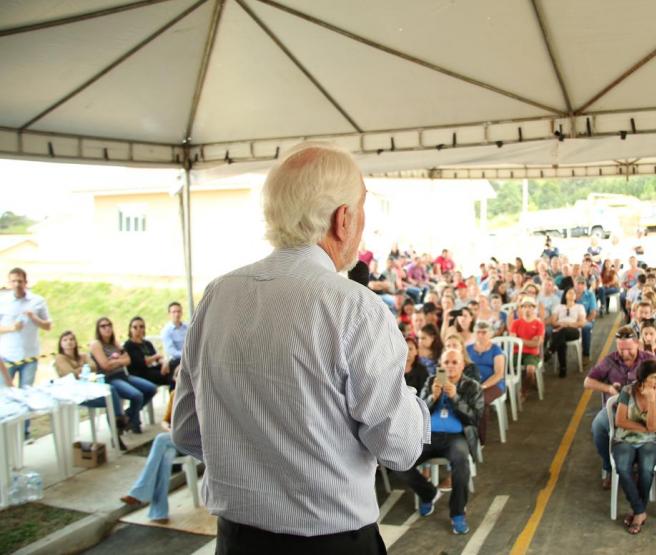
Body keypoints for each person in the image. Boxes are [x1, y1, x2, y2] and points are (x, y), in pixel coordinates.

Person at [171, 142, 429, 554]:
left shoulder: (217, 295)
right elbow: (398, 447)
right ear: (343, 219)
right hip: (332, 543)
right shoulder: (354, 306)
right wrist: (413, 400)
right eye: (361, 209)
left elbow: (187, 431)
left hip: (237, 542)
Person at [393, 348, 483, 535]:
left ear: (463, 365)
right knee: (398, 461)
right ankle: (429, 493)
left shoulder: (472, 386)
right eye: (446, 363)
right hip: (428, 435)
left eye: (454, 362)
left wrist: (455, 398)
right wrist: (432, 398)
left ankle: (457, 513)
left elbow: (475, 418)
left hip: (456, 437)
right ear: (440, 365)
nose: (450, 366)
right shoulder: (430, 381)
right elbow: (418, 412)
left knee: (461, 463)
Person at [585, 326, 656, 487]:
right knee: (598, 427)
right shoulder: (610, 360)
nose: (624, 353)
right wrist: (608, 388)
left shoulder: (648, 359)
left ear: (637, 343)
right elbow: (588, 382)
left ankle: (637, 466)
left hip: (641, 409)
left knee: (646, 430)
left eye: (629, 349)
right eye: (621, 349)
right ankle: (609, 466)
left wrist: (645, 391)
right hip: (614, 409)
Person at [611, 360, 656, 534]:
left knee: (646, 469)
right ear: (643, 378)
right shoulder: (627, 391)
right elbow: (620, 421)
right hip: (625, 439)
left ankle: (637, 512)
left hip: (650, 442)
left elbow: (653, 427)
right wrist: (644, 428)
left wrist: (651, 401)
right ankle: (640, 510)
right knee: (622, 467)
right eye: (653, 378)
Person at [0, 267, 52, 441]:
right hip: (7, 356)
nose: (17, 284)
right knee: (5, 395)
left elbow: (48, 325)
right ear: (9, 283)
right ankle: (6, 434)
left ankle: (24, 433)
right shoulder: (3, 301)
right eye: (13, 281)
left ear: (26, 282)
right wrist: (11, 328)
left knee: (26, 394)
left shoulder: (37, 301)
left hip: (29, 356)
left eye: (20, 281)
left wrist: (34, 318)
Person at [54, 330, 128, 450]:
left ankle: (117, 427)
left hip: (90, 389)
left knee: (111, 391)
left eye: (72, 339)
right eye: (65, 340)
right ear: (61, 344)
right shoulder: (60, 358)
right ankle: (119, 423)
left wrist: (81, 370)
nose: (69, 342)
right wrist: (83, 369)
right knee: (112, 401)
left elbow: (93, 367)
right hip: (77, 394)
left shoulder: (83, 355)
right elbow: (70, 374)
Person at [120, 387, 181, 524]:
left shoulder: (200, 394)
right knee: (166, 456)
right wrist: (169, 429)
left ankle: (139, 492)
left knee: (160, 439)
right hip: (173, 440)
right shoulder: (175, 394)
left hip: (193, 440)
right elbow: (165, 420)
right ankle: (160, 513)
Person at [89, 317, 157, 434]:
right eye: (103, 326)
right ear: (98, 329)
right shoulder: (96, 344)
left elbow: (128, 360)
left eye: (109, 325)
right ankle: (130, 423)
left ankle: (127, 417)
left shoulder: (114, 342)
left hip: (123, 375)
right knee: (137, 395)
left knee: (151, 388)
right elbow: (105, 365)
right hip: (110, 379)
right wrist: (119, 360)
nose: (107, 328)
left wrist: (114, 361)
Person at [467, 321, 505, 445]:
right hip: (472, 383)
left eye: (484, 332)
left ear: (490, 334)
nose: (481, 335)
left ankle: (480, 440)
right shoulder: (467, 349)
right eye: (478, 332)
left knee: (481, 402)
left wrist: (482, 386)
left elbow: (499, 373)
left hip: (493, 385)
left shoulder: (496, 350)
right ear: (474, 334)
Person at [123, 316, 173, 389]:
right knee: (171, 377)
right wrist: (155, 357)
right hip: (140, 373)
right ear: (130, 329)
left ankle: (174, 396)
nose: (138, 329)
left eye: (141, 327)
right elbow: (142, 362)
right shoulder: (129, 345)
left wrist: (164, 363)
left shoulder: (147, 343)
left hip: (153, 368)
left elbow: (158, 358)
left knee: (174, 367)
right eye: (135, 327)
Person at [509, 297, 545, 398]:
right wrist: (529, 341)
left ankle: (524, 391)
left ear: (534, 308)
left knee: (530, 369)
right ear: (521, 308)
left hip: (532, 354)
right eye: (524, 306)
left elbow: (537, 344)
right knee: (503, 365)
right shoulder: (516, 323)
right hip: (516, 353)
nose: (527, 309)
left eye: (530, 306)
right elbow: (513, 341)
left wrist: (519, 340)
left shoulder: (539, 324)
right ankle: (507, 391)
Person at [549, 287, 586, 377]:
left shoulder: (579, 307)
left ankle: (551, 350)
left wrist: (566, 325)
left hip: (573, 331)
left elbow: (581, 323)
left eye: (574, 293)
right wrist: (561, 325)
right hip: (559, 330)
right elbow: (553, 322)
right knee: (561, 339)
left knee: (562, 332)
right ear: (565, 295)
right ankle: (563, 368)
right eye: (569, 292)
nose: (572, 294)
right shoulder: (558, 307)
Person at [160, 302, 187, 374]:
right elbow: (171, 351)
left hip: (189, 358)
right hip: (176, 360)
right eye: (174, 312)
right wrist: (186, 355)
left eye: (179, 311)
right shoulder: (166, 331)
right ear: (169, 314)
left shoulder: (188, 327)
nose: (177, 314)